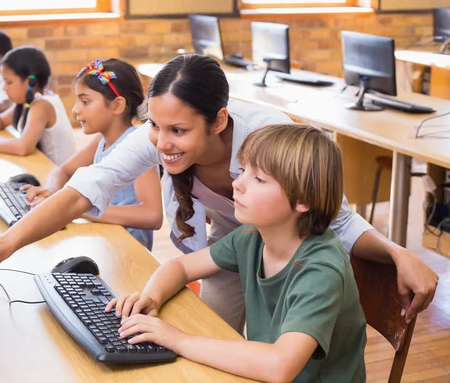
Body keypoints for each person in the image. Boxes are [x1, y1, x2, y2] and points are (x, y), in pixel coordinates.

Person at [0, 54, 438, 331]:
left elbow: (336, 218)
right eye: (154, 126)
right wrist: (4, 247)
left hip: (293, 261)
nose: (161, 142)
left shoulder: (267, 138)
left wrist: (396, 253)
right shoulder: (159, 137)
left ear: (220, 120)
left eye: (177, 130)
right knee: (203, 341)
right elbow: (85, 190)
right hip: (228, 252)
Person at [106, 123, 367, 382]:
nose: (238, 184)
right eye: (243, 170)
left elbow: (280, 366)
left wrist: (178, 339)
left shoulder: (320, 270)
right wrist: (150, 298)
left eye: (259, 179)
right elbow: (181, 267)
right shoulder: (253, 235)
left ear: (303, 201)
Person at [22, 59, 162, 250]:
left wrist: (78, 209)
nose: (75, 109)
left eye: (85, 101)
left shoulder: (137, 145)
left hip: (128, 252)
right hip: (105, 241)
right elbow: (64, 171)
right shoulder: (102, 140)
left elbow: (152, 215)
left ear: (117, 106)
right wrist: (53, 193)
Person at [0, 46, 76, 164]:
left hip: (59, 175)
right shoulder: (28, 100)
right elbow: (1, 120)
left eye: (9, 82)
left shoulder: (42, 105)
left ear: (30, 82)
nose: (4, 88)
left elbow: (23, 147)